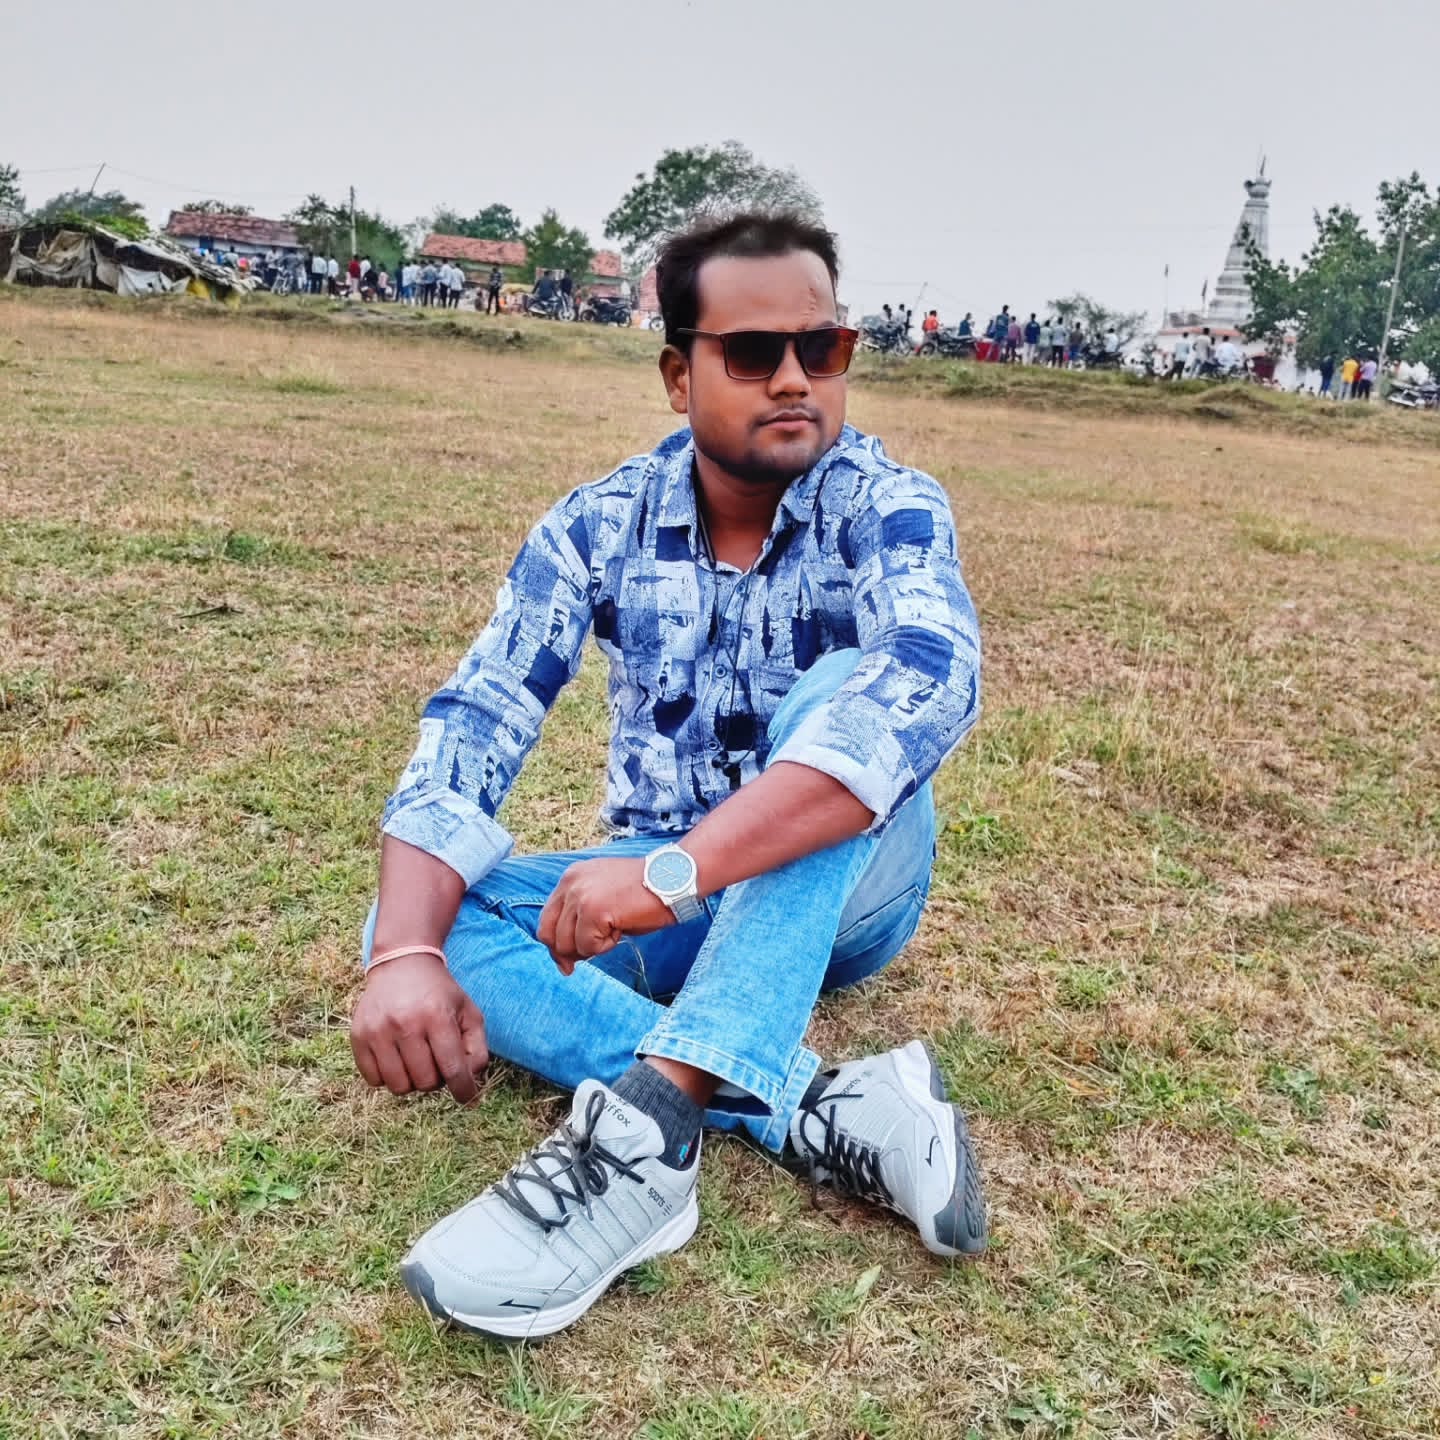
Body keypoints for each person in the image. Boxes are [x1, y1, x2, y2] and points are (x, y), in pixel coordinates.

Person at [350, 209, 988, 1341]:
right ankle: (809, 1102)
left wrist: (674, 871)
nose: (793, 379)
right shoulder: (598, 525)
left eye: (822, 347)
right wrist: (403, 955)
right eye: (752, 353)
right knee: (423, 922)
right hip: (668, 896)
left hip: (853, 887)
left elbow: (925, 687)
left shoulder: (887, 504)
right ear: (678, 377)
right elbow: (478, 717)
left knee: (848, 691)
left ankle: (649, 1139)